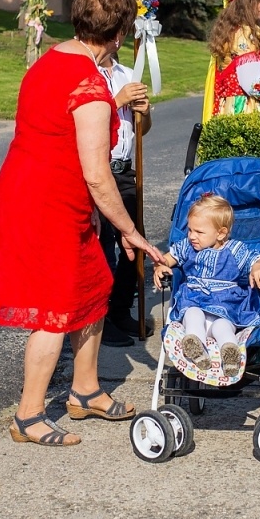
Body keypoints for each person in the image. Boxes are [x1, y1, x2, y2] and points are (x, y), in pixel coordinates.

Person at [0, 0, 162, 447]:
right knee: (54, 305)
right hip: (47, 201)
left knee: (95, 283)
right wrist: (132, 232)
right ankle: (28, 415)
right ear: (121, 34)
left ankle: (84, 391)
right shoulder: (89, 87)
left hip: (39, 191)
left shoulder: (50, 60)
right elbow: (99, 175)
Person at [152, 194, 260, 378]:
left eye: (199, 232)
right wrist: (162, 266)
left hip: (225, 305)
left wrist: (257, 269)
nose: (192, 236)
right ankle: (195, 346)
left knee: (223, 326)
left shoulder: (235, 249)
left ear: (221, 233)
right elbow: (169, 258)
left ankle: (230, 353)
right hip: (193, 300)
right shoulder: (187, 247)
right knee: (192, 314)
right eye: (190, 230)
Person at [96, 44, 152, 347]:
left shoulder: (127, 74)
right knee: (104, 245)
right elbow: (92, 118)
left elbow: (141, 129)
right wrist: (119, 100)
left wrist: (143, 112)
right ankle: (100, 318)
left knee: (135, 240)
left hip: (125, 169)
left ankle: (120, 309)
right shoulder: (88, 74)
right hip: (100, 168)